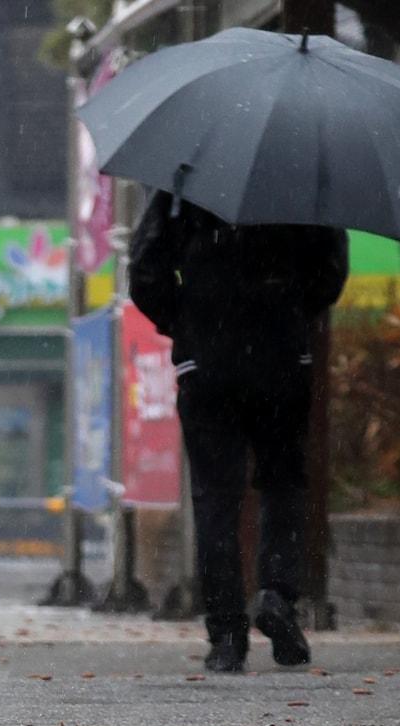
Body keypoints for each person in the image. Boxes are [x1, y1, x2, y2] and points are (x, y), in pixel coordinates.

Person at [130, 193, 348, 673]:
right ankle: (276, 594)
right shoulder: (301, 184)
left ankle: (226, 634)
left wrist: (186, 318)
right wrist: (288, 307)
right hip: (282, 357)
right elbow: (330, 271)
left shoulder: (185, 184)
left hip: (207, 360)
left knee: (215, 497)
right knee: (283, 480)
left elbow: (145, 272)